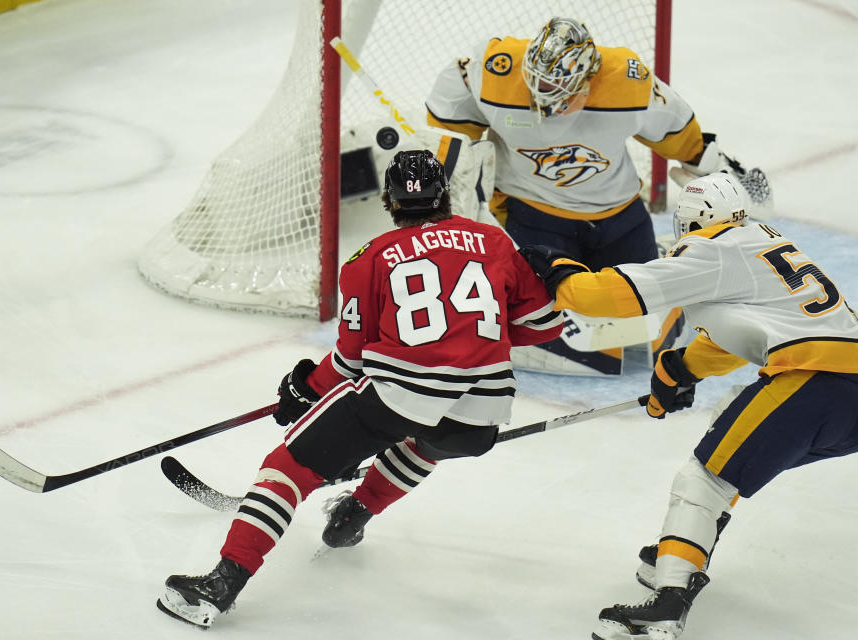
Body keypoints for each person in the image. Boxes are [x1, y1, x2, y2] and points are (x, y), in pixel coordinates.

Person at [156, 149, 563, 628]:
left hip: (400, 394)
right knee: (429, 440)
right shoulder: (494, 242)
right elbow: (543, 327)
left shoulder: (368, 259)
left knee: (287, 468)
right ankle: (355, 514)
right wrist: (547, 278)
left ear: (389, 200)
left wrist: (304, 387)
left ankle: (220, 586)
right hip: (484, 411)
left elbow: (350, 361)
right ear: (445, 196)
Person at [519, 172, 858, 640]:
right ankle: (685, 548)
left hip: (816, 379)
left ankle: (668, 602)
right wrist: (680, 368)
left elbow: (613, 296)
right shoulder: (763, 242)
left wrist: (558, 271)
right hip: (845, 397)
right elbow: (745, 327)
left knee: (703, 479)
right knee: (728, 444)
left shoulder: (713, 247)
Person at [425, 16, 770, 374]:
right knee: (540, 319)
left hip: (618, 217)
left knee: (644, 321)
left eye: (561, 94)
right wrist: (444, 168)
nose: (547, 106)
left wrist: (711, 165)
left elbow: (676, 130)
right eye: (538, 86)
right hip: (534, 215)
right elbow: (452, 108)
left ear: (590, 78)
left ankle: (657, 255)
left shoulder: (627, 83)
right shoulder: (497, 71)